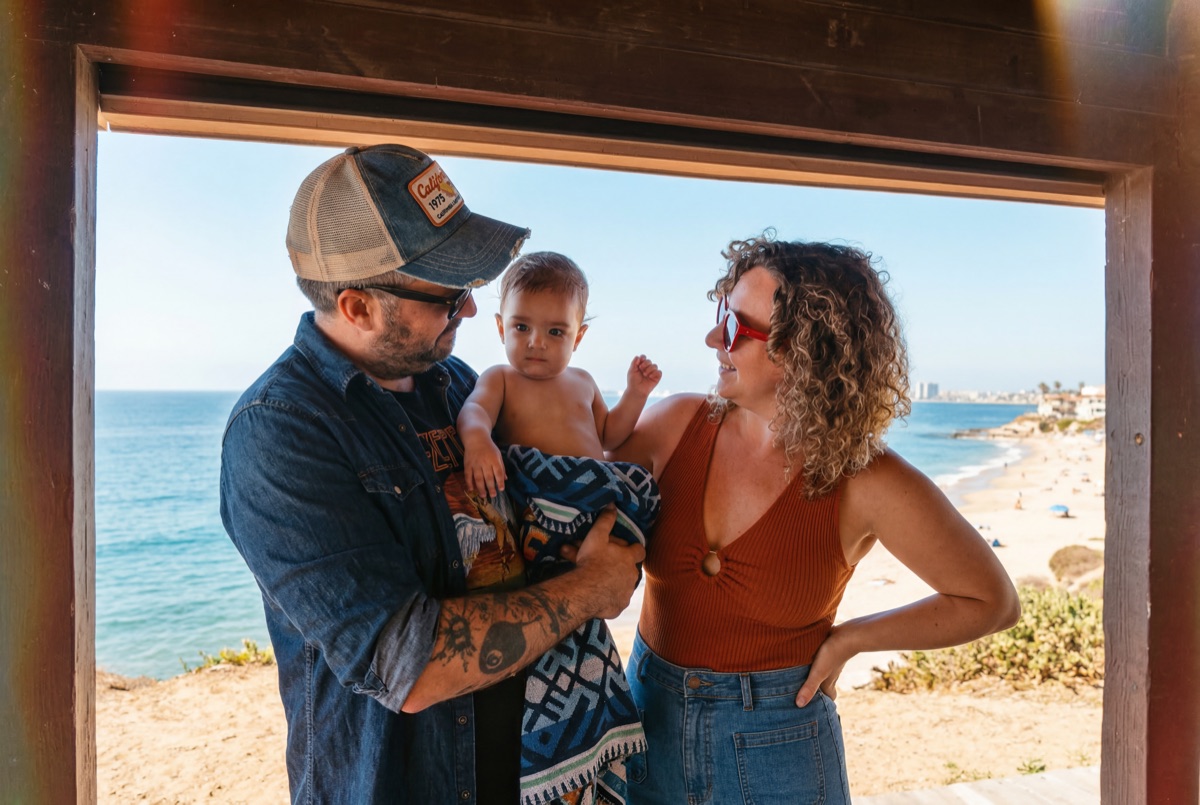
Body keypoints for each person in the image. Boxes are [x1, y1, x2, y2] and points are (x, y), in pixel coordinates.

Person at [219, 144, 645, 804]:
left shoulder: (454, 385)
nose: (471, 311)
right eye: (448, 294)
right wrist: (592, 588)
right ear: (358, 306)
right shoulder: (279, 431)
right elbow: (408, 664)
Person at [612, 233, 1021, 803]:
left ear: (802, 347)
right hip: (645, 726)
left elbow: (991, 601)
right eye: (719, 316)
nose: (711, 338)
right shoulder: (674, 424)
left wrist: (852, 639)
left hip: (779, 747)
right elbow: (574, 513)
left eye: (734, 327)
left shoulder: (866, 480)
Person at [456, 251, 662, 803]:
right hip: (547, 514)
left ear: (579, 336)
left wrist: (636, 395)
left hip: (594, 503)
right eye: (521, 327)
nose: (535, 343)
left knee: (640, 488)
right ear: (500, 327)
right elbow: (473, 412)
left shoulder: (584, 381)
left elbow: (612, 436)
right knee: (566, 620)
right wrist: (478, 441)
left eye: (554, 331)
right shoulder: (500, 378)